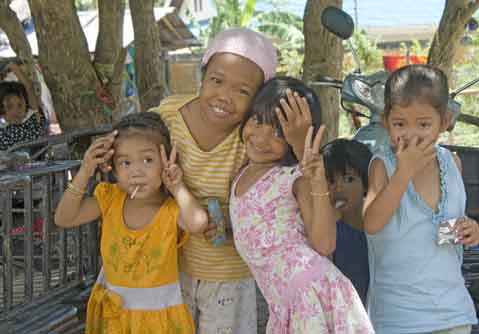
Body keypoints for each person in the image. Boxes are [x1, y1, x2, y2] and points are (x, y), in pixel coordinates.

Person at [149, 28, 311, 333]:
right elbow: (137, 147)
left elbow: (278, 197)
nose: (224, 96)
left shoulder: (254, 142)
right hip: (170, 265)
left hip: (230, 275)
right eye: (216, 80)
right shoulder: (170, 114)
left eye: (242, 91)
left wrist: (231, 219)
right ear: (203, 75)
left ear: (258, 99)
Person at [230, 76, 374, 333]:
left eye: (278, 132)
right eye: (258, 121)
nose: (261, 138)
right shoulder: (243, 171)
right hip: (283, 301)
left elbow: (325, 244)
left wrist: (315, 176)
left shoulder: (296, 179)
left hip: (311, 294)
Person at [54, 112, 208, 334]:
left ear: (167, 161)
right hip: (112, 319)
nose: (137, 172)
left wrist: (177, 187)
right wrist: (86, 170)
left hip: (159, 321)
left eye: (148, 160)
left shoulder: (171, 209)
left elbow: (198, 224)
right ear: (113, 169)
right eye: (125, 163)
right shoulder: (109, 199)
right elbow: (64, 218)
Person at [363, 64, 479, 334]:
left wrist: (467, 229)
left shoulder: (452, 164)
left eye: (424, 124)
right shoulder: (384, 165)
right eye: (400, 124)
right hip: (400, 318)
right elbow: (372, 224)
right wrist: (403, 173)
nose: (411, 133)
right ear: (385, 122)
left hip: (452, 311)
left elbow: (439, 229)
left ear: (444, 121)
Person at [322, 138, 372, 306]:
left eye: (349, 179)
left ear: (366, 183)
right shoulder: (328, 235)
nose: (338, 188)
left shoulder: (382, 228)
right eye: (330, 181)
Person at [0, 63, 47, 151]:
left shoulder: (34, 118)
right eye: (9, 107)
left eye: (20, 105)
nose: (16, 110)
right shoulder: (2, 131)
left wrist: (14, 67)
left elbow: (28, 88)